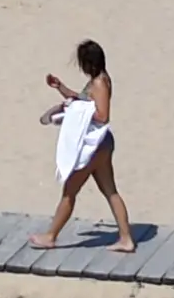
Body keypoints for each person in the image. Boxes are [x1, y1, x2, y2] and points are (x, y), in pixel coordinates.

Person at [33, 42, 135, 253]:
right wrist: (61, 87)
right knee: (110, 191)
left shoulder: (100, 83)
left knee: (70, 191)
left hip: (95, 146)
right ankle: (126, 239)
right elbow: (83, 100)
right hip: (102, 144)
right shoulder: (98, 81)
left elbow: (102, 115)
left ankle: (50, 236)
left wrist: (77, 111)